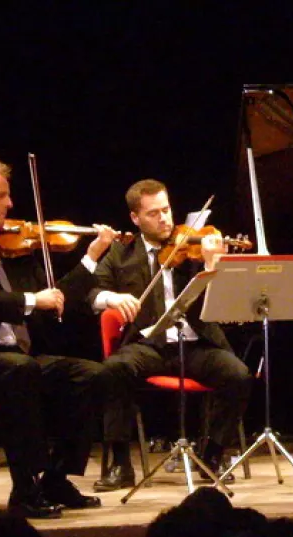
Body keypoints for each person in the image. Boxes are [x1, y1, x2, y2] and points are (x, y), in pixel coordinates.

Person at [0, 159, 117, 519]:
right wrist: (31, 299)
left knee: (93, 374)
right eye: (1, 195)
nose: (10, 204)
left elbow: (51, 302)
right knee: (18, 369)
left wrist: (90, 258)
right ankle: (25, 489)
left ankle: (56, 478)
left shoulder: (8, 247)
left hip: (15, 360)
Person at [89, 179, 252, 492]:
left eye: (166, 210)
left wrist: (211, 263)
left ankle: (213, 455)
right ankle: (121, 465)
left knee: (238, 374)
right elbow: (92, 291)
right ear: (136, 218)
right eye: (153, 214)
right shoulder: (122, 253)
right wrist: (111, 298)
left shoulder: (192, 247)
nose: (164, 219)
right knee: (112, 370)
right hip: (148, 346)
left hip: (194, 345)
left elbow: (221, 302)